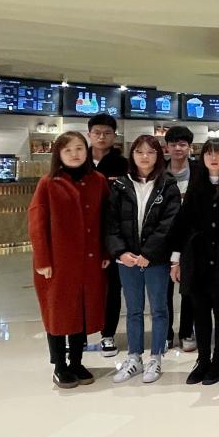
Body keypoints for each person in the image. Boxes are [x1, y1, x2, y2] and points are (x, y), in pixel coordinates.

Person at [27, 132, 111, 389]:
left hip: (90, 261)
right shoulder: (48, 183)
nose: (75, 154)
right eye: (68, 150)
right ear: (59, 155)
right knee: (58, 312)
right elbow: (37, 223)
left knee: (81, 312)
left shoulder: (98, 181)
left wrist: (105, 253)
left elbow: (107, 220)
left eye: (79, 148)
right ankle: (59, 366)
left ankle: (76, 362)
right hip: (58, 263)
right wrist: (43, 260)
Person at [168, 139, 219, 386]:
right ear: (202, 157)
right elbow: (182, 224)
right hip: (197, 258)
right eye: (209, 153)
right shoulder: (196, 185)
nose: (214, 158)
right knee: (200, 312)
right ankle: (202, 360)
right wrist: (175, 260)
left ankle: (217, 360)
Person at [106, 135, 181, 384]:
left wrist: (149, 253)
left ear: (158, 155)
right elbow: (111, 223)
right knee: (133, 310)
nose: (145, 157)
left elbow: (169, 224)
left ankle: (156, 358)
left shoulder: (167, 185)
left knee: (159, 309)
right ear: (132, 155)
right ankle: (134, 357)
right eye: (139, 152)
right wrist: (120, 252)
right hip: (127, 260)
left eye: (150, 152)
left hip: (155, 260)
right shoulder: (120, 185)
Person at [87, 113, 126, 358]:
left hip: (113, 234)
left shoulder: (122, 165)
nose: (102, 137)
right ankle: (78, 333)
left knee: (113, 286)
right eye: (97, 133)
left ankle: (108, 334)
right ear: (89, 134)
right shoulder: (78, 161)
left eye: (107, 133)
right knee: (83, 285)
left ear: (114, 136)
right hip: (83, 235)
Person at [165, 125, 201, 352]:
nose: (178, 148)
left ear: (190, 147)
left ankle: (187, 331)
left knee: (188, 287)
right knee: (164, 288)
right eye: (173, 144)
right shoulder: (159, 171)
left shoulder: (199, 170)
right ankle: (166, 333)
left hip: (190, 237)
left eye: (182, 144)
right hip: (164, 236)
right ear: (166, 147)